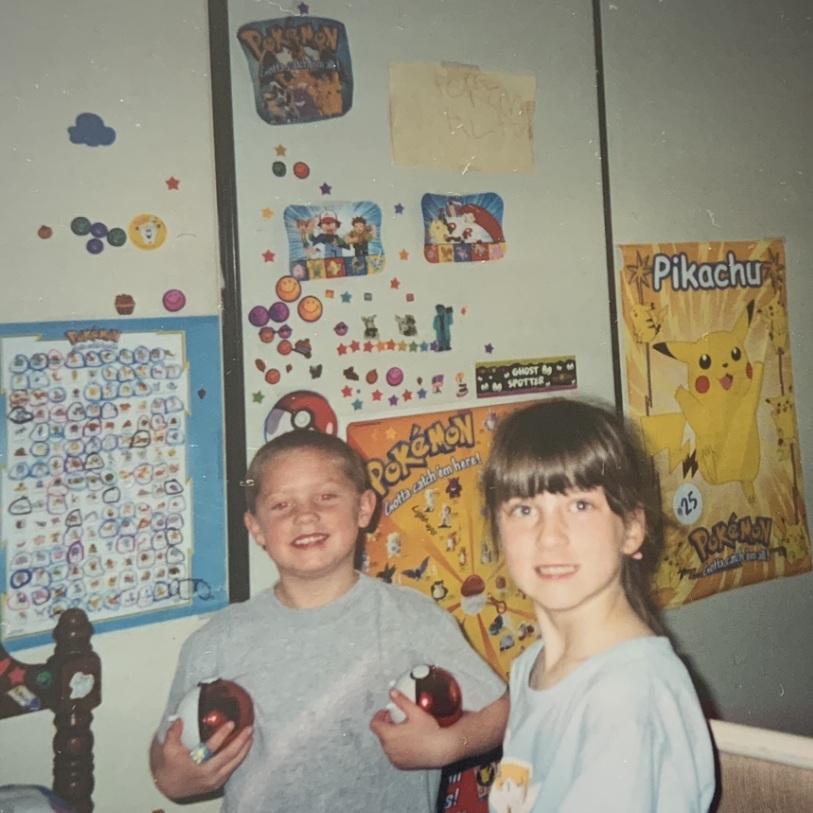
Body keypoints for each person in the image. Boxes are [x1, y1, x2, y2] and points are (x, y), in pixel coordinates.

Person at [150, 429, 508, 813]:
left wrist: (448, 746)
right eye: (282, 504)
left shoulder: (412, 618)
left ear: (364, 508)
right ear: (256, 529)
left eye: (326, 496)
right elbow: (165, 760)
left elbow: (499, 711)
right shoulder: (216, 641)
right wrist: (177, 777)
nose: (306, 515)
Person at [481, 398, 715, 813]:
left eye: (581, 505)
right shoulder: (531, 666)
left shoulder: (627, 696)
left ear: (632, 529)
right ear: (499, 532)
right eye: (523, 509)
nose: (549, 536)